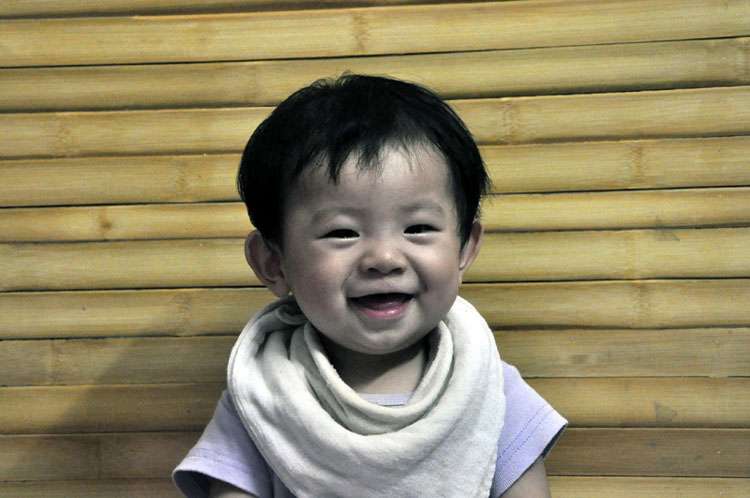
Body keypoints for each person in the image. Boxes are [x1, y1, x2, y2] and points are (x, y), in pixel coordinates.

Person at [173, 74, 566, 498]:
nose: (384, 258)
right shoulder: (262, 394)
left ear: (464, 248)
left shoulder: (489, 387)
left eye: (418, 227)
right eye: (342, 232)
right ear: (273, 262)